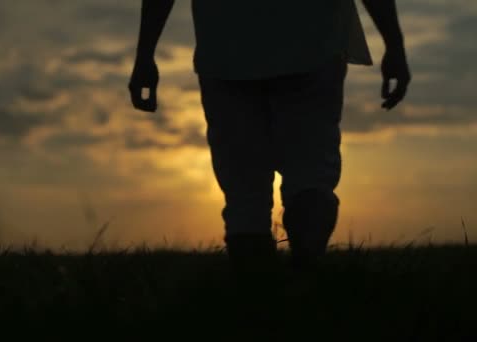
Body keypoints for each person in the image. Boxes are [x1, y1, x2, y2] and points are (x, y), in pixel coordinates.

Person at [128, 0, 411, 268]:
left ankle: (258, 302)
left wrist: (145, 56)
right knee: (310, 176)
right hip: (311, 41)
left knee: (244, 194)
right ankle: (303, 285)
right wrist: (394, 45)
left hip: (227, 46)